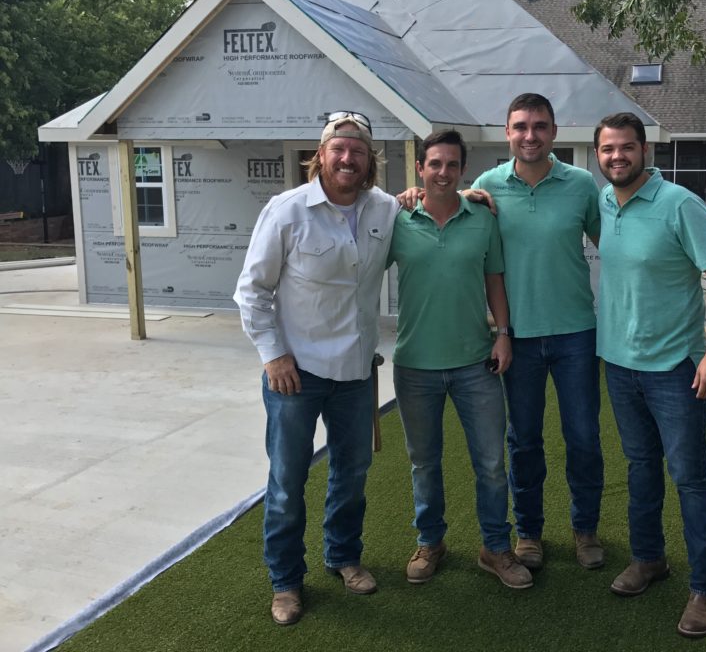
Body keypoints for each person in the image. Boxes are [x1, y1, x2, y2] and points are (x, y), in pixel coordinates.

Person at [234, 112, 399, 626]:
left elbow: (426, 210)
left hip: (355, 373)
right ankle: (285, 582)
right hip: (294, 376)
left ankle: (344, 557)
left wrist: (461, 197)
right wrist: (273, 354)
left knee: (351, 475)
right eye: (339, 149)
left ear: (371, 160)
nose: (348, 158)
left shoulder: (386, 209)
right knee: (287, 482)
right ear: (321, 156)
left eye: (358, 150)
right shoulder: (286, 211)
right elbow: (252, 291)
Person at [593, 112, 706, 639]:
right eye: (608, 149)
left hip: (676, 369)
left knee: (690, 477)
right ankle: (648, 559)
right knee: (639, 468)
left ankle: (705, 587)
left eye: (626, 148)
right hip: (619, 364)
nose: (617, 157)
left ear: (644, 151)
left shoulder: (680, 204)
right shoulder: (605, 203)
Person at [388, 129, 532, 590]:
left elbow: (495, 280)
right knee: (424, 462)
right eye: (435, 164)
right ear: (420, 169)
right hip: (414, 365)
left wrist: (503, 335)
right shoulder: (397, 218)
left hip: (475, 363)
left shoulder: (483, 216)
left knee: (491, 463)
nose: (443, 172)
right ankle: (430, 542)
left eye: (452, 165)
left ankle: (495, 548)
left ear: (462, 170)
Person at [471, 93, 605, 571]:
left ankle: (585, 529)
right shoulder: (487, 186)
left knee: (584, 437)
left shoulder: (582, 184)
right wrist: (414, 195)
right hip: (518, 338)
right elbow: (450, 212)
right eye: (521, 126)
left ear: (554, 132)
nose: (531, 135)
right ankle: (528, 532)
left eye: (540, 126)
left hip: (576, 334)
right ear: (507, 132)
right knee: (523, 440)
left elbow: (615, 241)